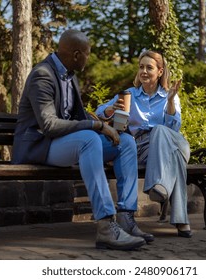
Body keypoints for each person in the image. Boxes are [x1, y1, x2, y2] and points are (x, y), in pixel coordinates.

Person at [12, 29, 154, 250]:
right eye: (88, 53)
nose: (89, 58)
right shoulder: (43, 75)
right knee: (89, 139)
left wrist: (105, 121)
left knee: (125, 142)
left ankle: (126, 217)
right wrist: (95, 126)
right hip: (41, 146)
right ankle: (107, 226)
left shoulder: (70, 76)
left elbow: (76, 116)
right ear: (77, 54)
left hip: (66, 144)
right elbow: (49, 125)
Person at [96, 50, 193, 238]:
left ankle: (158, 184)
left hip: (169, 143)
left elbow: (175, 128)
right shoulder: (129, 95)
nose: (144, 71)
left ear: (160, 71)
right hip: (143, 150)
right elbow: (99, 112)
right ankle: (181, 220)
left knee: (160, 131)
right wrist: (110, 109)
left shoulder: (169, 95)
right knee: (176, 159)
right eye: (141, 67)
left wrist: (171, 100)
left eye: (149, 67)